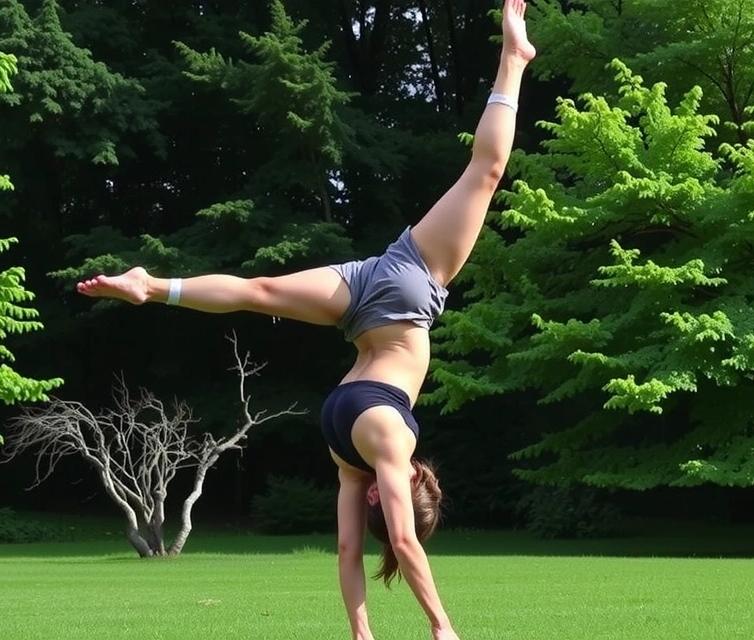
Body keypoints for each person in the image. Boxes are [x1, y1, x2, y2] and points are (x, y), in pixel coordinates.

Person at [76, 2, 535, 638]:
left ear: (406, 484)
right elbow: (356, 551)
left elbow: (403, 538)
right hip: (346, 385)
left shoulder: (395, 446)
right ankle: (150, 288)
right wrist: (363, 633)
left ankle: (512, 60)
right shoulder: (358, 461)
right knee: (260, 292)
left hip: (396, 289)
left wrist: (443, 628)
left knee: (482, 176)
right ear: (387, 490)